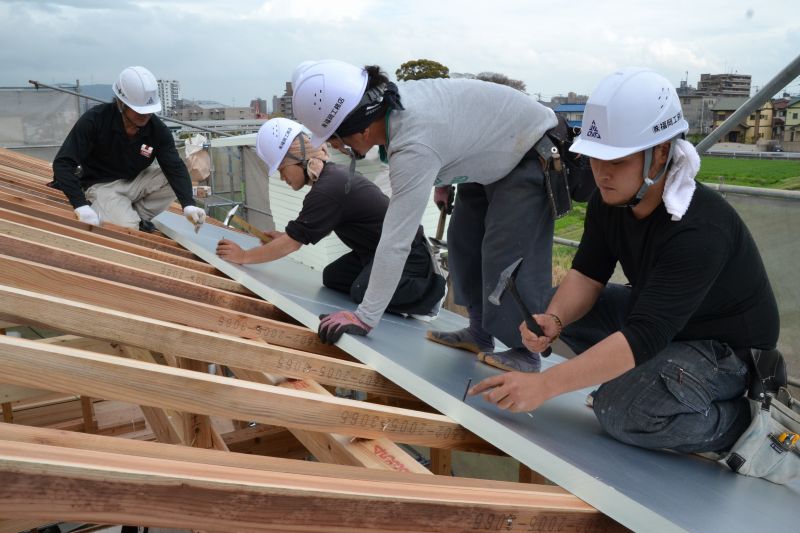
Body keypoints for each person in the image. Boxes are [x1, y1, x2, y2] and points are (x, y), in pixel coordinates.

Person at [471, 67, 781, 455]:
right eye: (596, 158)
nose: (601, 173)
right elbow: (587, 273)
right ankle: (652, 383)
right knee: (555, 307)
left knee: (619, 411)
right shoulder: (611, 200)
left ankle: (743, 426)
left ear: (661, 155)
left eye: (616, 160)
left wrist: (545, 386)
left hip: (725, 353)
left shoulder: (700, 229)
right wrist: (555, 319)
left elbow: (645, 335)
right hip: (666, 325)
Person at [292, 59, 557, 366]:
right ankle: (479, 333)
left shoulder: (413, 143)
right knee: (463, 243)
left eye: (336, 139)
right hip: (492, 152)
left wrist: (364, 317)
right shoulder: (393, 109)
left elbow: (396, 240)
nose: (336, 148)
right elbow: (454, 128)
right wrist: (442, 179)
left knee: (507, 254)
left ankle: (527, 352)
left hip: (532, 150)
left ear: (360, 129)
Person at [215, 118, 445, 326]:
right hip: (375, 253)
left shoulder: (328, 189)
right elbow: (300, 233)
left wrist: (244, 257)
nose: (283, 178)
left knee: (361, 290)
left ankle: (428, 294)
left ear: (299, 159)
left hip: (408, 258)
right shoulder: (330, 178)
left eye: (283, 170)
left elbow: (292, 244)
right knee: (333, 277)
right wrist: (284, 238)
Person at [51, 66, 205, 231]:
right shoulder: (95, 120)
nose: (145, 115)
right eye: (139, 110)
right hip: (102, 186)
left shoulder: (157, 130)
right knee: (127, 229)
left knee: (178, 174)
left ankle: (136, 215)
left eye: (149, 111)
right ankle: (126, 217)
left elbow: (174, 167)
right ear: (120, 102)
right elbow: (63, 163)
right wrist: (80, 204)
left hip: (135, 181)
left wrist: (188, 204)